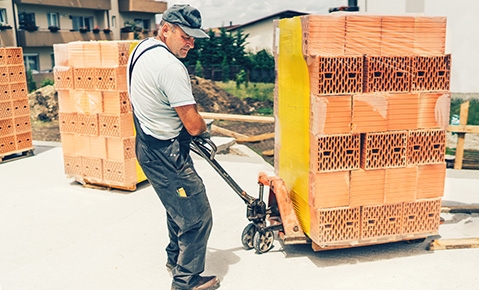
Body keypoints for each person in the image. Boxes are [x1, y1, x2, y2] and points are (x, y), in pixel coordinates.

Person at [127, 4, 220, 290]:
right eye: (185, 36)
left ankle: (175, 259)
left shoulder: (141, 50)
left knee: (178, 207)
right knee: (198, 216)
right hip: (166, 154)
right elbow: (193, 125)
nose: (191, 44)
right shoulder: (171, 68)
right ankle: (186, 280)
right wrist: (205, 129)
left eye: (194, 38)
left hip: (146, 144)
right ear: (165, 29)